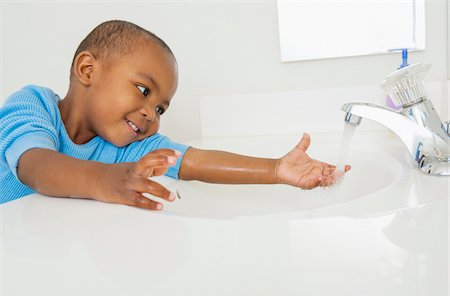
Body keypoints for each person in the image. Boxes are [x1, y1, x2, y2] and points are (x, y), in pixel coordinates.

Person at [0, 20, 350, 209]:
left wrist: (274, 169)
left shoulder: (125, 147)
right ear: (88, 70)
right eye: (143, 90)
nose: (151, 114)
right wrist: (103, 180)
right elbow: (34, 165)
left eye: (160, 108)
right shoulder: (34, 105)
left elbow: (191, 161)